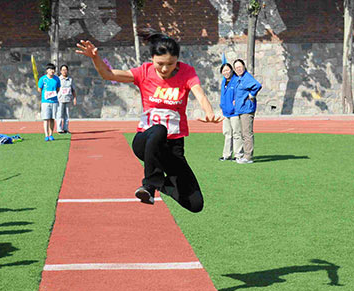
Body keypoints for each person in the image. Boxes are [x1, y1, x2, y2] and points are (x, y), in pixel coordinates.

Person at [76, 29, 221, 212]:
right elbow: (109, 75)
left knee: (195, 204)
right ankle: (149, 186)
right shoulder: (144, 72)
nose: (165, 69)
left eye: (170, 64)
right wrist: (95, 58)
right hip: (145, 141)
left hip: (173, 148)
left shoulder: (186, 72)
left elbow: (199, 94)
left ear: (177, 60)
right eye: (160, 64)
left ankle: (162, 184)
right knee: (159, 129)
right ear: (152, 58)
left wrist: (209, 112)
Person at [233, 59, 262, 164]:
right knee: (243, 133)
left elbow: (257, 85)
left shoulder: (246, 77)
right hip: (241, 108)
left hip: (246, 109)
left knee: (247, 133)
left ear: (244, 67)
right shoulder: (239, 78)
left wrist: (252, 95)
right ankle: (245, 155)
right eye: (236, 68)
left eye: (240, 67)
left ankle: (248, 157)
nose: (238, 69)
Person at [218, 62, 242, 161]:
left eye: (228, 70)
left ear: (232, 70)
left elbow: (240, 94)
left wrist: (236, 103)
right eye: (224, 71)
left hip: (235, 112)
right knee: (227, 134)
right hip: (225, 112)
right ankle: (226, 155)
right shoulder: (223, 82)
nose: (226, 72)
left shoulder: (236, 81)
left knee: (237, 133)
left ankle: (238, 155)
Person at [38, 63, 60, 141]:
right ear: (47, 70)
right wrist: (45, 95)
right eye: (51, 69)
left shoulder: (57, 79)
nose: (52, 71)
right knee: (46, 118)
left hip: (54, 101)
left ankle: (51, 134)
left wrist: (53, 94)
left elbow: (58, 89)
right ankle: (46, 135)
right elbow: (39, 89)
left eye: (53, 69)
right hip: (45, 102)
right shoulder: (42, 79)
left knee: (52, 119)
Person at [56, 64, 76, 134]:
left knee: (66, 115)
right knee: (60, 114)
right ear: (60, 71)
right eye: (63, 70)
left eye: (65, 70)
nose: (64, 71)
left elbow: (73, 90)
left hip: (68, 99)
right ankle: (59, 129)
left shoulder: (70, 80)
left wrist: (74, 98)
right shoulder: (58, 79)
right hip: (60, 99)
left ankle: (65, 129)